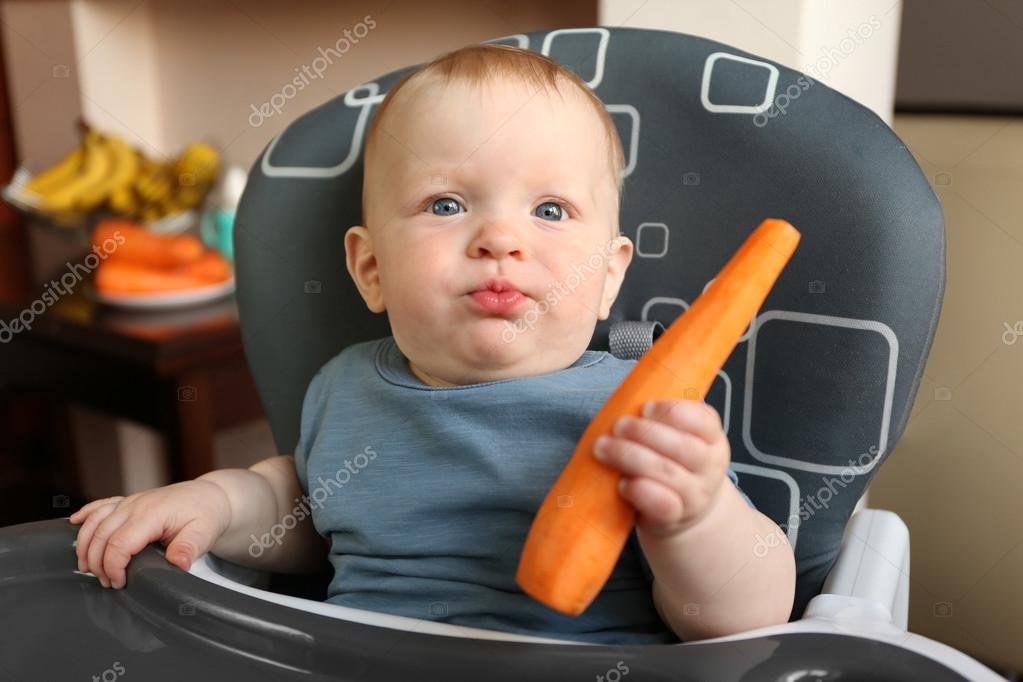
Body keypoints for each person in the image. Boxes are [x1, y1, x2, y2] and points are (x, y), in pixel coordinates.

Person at [70, 43, 795, 644]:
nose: (500, 240)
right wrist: (217, 505)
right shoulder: (343, 387)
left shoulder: (645, 412)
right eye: (446, 204)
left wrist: (693, 520)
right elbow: (300, 514)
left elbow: (749, 617)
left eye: (550, 209)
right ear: (371, 269)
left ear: (607, 279)